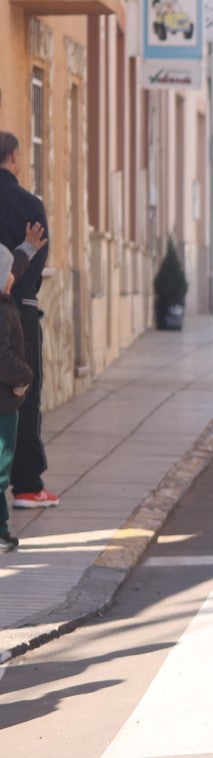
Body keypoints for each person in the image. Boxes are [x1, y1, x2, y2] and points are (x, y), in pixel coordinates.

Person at [0, 131, 56, 510]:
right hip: (18, 308)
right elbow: (39, 260)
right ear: (16, 156)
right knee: (24, 391)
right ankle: (26, 486)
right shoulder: (29, 204)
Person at [0, 242, 36, 551]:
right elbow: (2, 358)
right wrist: (25, 376)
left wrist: (27, 250)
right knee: (0, 469)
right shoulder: (1, 310)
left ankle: (1, 531)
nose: (14, 275)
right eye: (9, 272)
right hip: (3, 405)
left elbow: (10, 266)